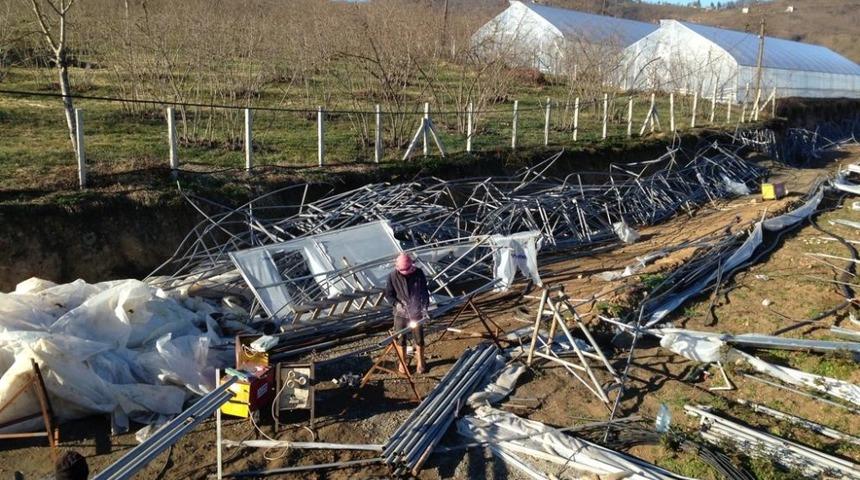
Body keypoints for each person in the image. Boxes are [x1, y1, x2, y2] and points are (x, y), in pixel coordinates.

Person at [384, 253, 429, 374]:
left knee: (419, 338)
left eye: (408, 270)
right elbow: (389, 295)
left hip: (416, 312)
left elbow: (424, 291)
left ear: (411, 265)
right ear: (397, 266)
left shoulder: (418, 273)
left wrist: (424, 308)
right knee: (400, 338)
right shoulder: (392, 276)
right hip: (400, 314)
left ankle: (420, 361)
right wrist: (397, 304)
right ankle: (402, 363)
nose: (406, 272)